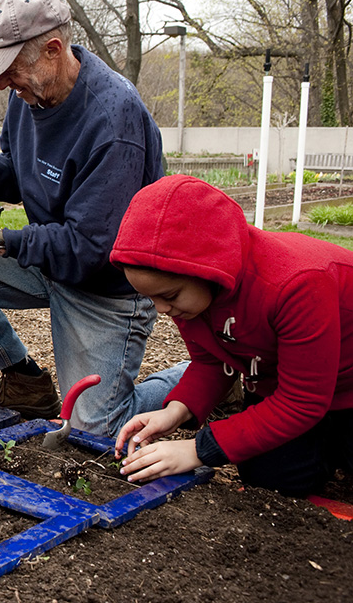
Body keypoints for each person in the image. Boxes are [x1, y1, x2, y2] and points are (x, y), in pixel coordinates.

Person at [0, 0, 184, 437]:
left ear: (52, 49)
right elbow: (26, 172)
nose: (2, 83)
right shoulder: (32, 96)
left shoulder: (112, 120)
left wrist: (1, 240)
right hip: (51, 257)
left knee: (95, 431)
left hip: (106, 285)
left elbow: (91, 246)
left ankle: (203, 380)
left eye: (9, 69)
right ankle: (25, 381)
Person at [110, 175, 353, 496]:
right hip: (280, 382)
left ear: (206, 268)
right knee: (268, 478)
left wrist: (197, 449)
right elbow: (212, 360)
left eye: (168, 296)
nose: (161, 309)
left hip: (345, 382)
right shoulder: (192, 298)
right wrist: (175, 411)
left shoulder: (297, 283)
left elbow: (302, 402)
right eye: (151, 298)